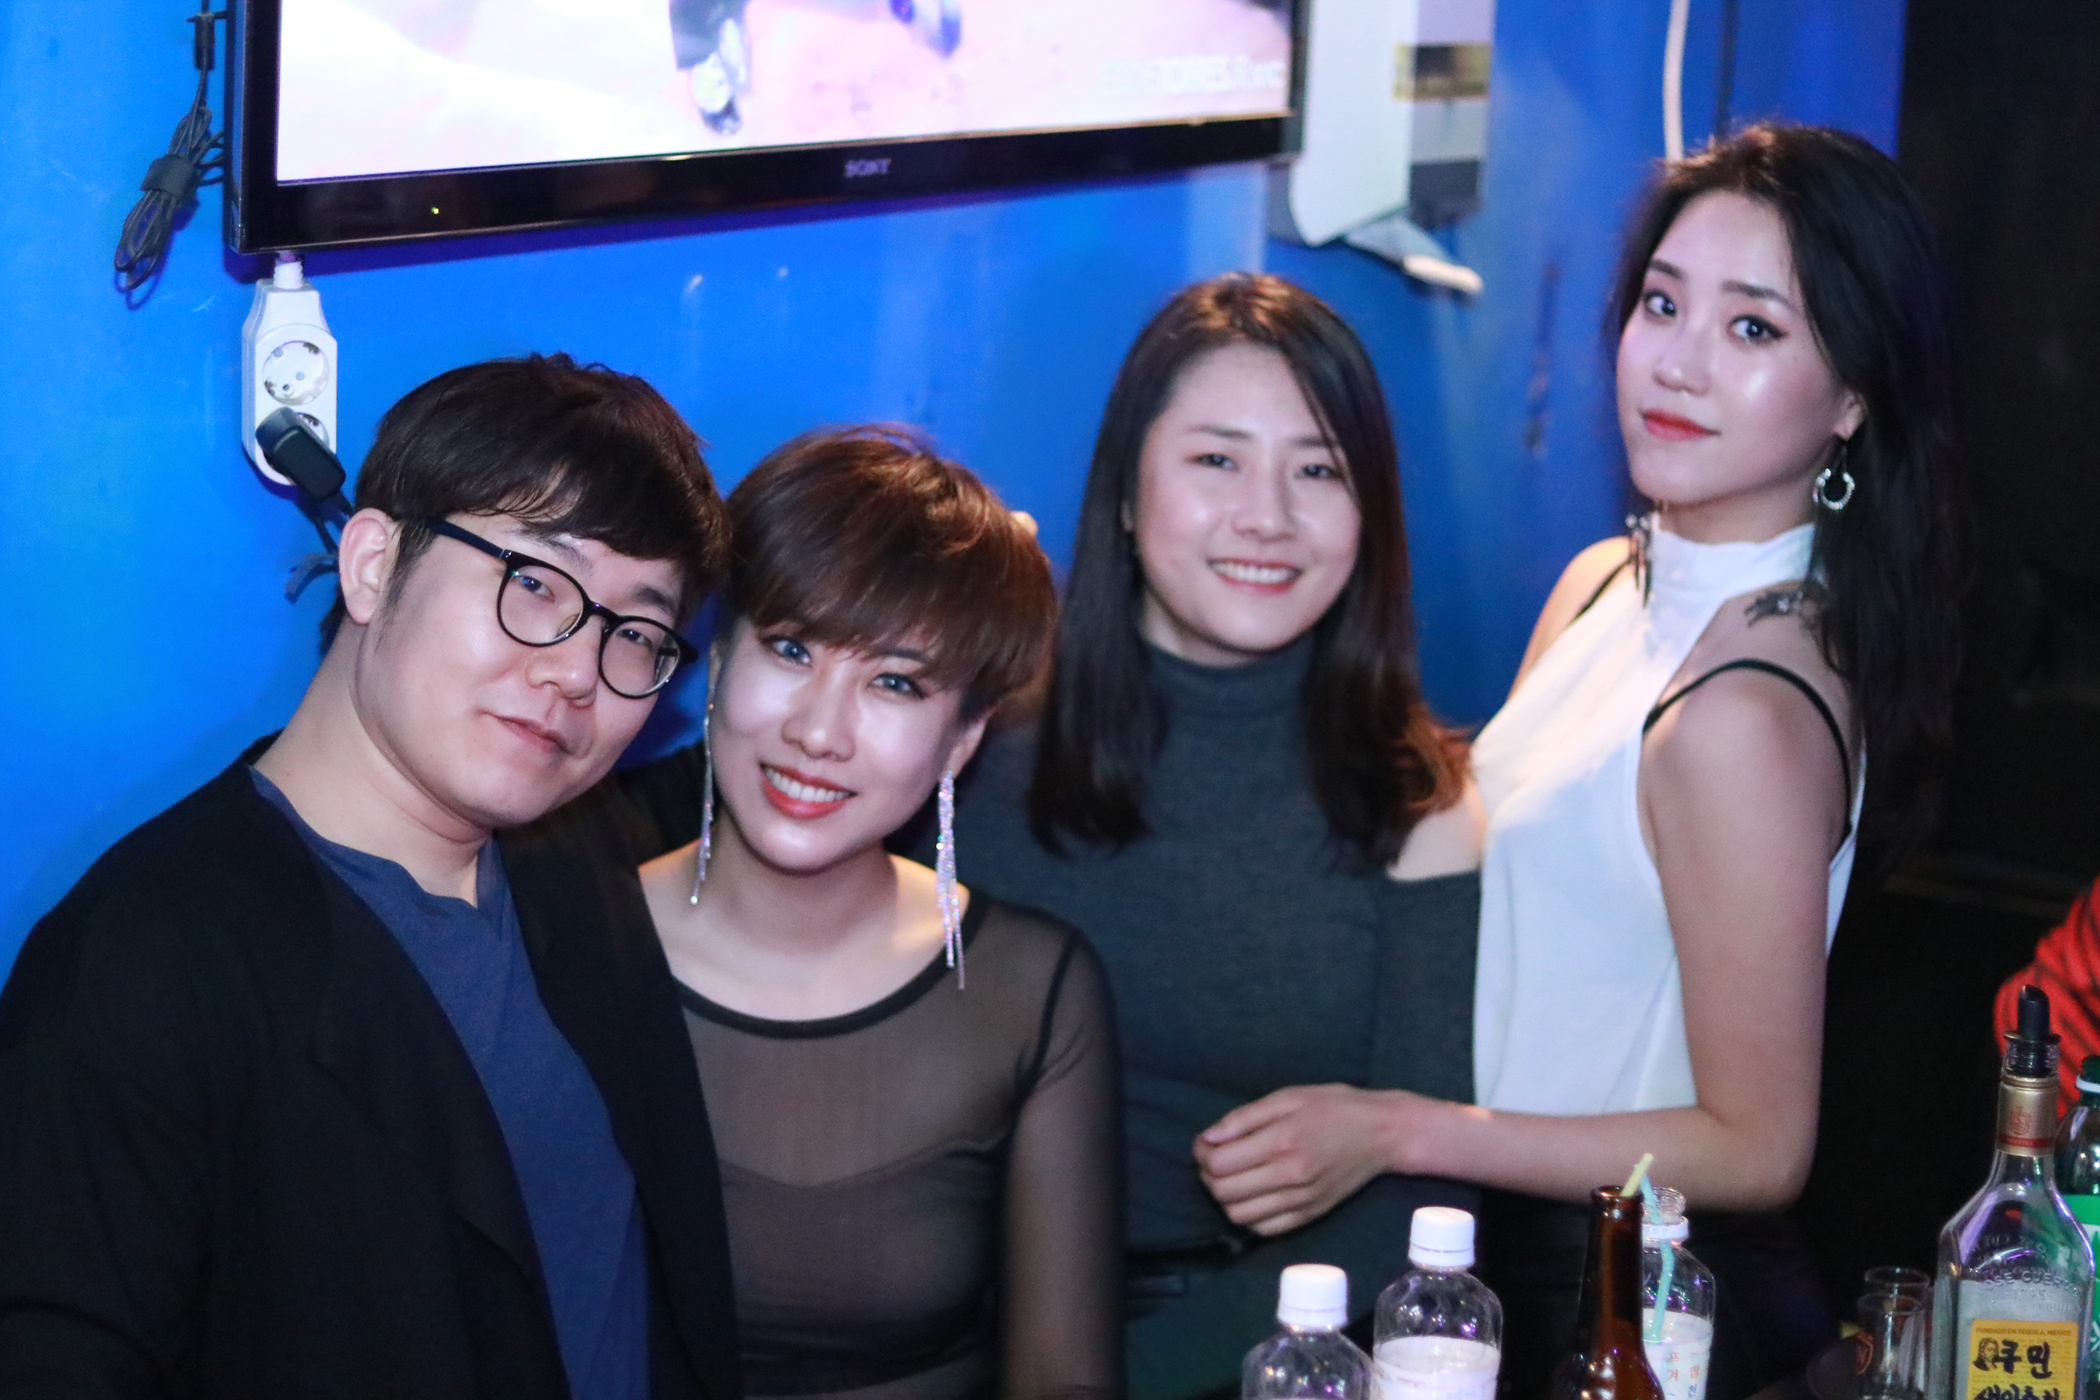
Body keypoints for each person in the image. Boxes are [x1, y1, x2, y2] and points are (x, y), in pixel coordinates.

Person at [0, 354, 744, 1400]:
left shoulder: (572, 852)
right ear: (372, 563)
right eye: (535, 583)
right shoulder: (138, 972)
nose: (578, 672)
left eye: (636, 632)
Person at [1363, 125, 1960, 1398]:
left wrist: (1402, 1130)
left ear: (1852, 398)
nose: (1678, 361)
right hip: (1501, 1251)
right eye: (1661, 302)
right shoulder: (1605, 582)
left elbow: (1758, 1145)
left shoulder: (1743, 708)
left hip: (1634, 1300)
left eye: (1753, 328)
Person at [916, 273, 1484, 1400]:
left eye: (1318, 469)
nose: (1267, 516)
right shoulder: (970, 735)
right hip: (941, 1323)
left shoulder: (1418, 805)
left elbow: (1417, 1209)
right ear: (1127, 494)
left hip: (1252, 1342)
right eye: (1217, 459)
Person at [635, 428, 1121, 1400]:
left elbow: (1063, 1379)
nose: (820, 730)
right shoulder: (574, 942)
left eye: (895, 681)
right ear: (718, 661)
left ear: (963, 738)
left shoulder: (1030, 992)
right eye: (791, 648)